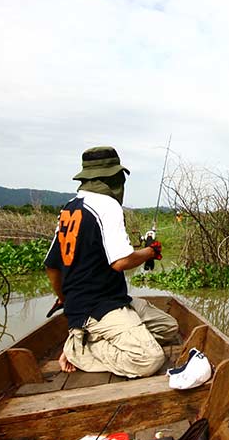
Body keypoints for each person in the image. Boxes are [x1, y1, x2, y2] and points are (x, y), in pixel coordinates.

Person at [44, 145, 180, 378]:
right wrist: (149, 252)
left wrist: (66, 300)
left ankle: (91, 334)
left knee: (169, 328)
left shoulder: (69, 207)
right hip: (98, 308)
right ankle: (80, 348)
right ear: (114, 177)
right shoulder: (108, 205)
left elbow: (52, 265)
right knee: (150, 358)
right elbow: (121, 262)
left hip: (110, 301)